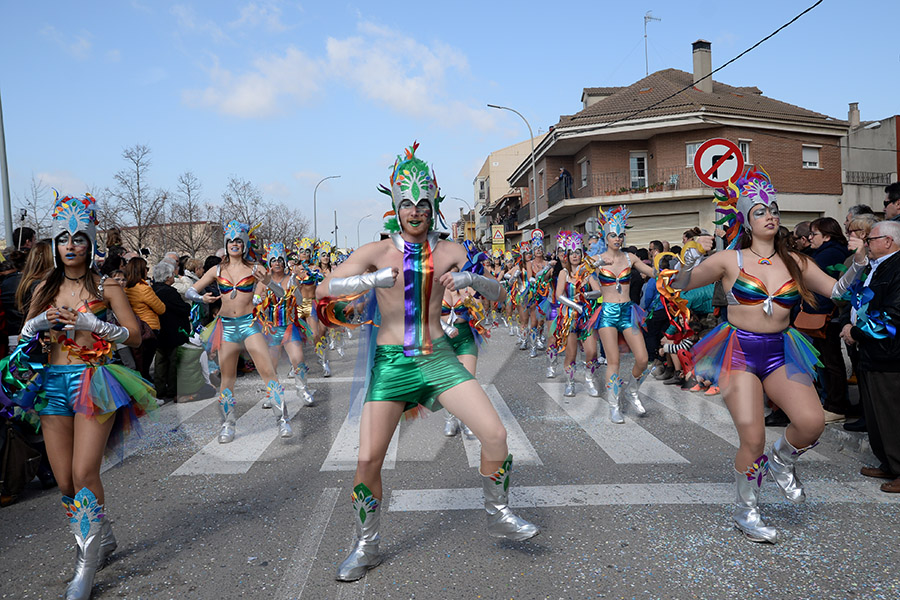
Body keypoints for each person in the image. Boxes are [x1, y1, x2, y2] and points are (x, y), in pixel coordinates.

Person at [318, 143, 538, 582]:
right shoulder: (377, 252)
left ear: (433, 203)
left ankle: (498, 512)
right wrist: (372, 280)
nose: (415, 211)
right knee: (367, 461)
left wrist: (472, 277)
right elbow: (327, 286)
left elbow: (500, 293)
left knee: (495, 434)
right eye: (406, 203)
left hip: (439, 358)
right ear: (395, 206)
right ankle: (366, 546)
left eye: (423, 203)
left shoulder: (452, 249)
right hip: (391, 364)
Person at [674, 167, 868, 543]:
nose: (771, 215)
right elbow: (682, 285)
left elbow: (838, 290)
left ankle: (783, 459)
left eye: (774, 209)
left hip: (781, 349)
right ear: (747, 220)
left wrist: (859, 261)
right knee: (752, 438)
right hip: (738, 351)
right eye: (761, 211)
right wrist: (686, 261)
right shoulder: (730, 260)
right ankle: (746, 512)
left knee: (811, 424)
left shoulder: (796, 262)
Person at [1, 192, 155, 600]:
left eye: (79, 237)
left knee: (85, 473)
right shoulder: (44, 287)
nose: (71, 245)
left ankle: (85, 568)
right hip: (52, 384)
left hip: (95, 382)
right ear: (55, 245)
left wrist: (96, 325)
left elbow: (136, 334)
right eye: (64, 237)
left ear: (90, 243)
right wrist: (38, 322)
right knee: (66, 481)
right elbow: (24, 340)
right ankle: (100, 538)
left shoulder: (107, 286)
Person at [187, 221, 292, 442]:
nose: (235, 244)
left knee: (268, 372)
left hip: (250, 324)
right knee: (228, 378)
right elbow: (189, 291)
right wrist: (201, 297)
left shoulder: (256, 268)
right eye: (231, 241)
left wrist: (267, 283)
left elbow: (281, 295)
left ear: (244, 244)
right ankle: (227, 424)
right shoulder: (216, 270)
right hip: (226, 327)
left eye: (238, 241)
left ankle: (282, 420)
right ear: (226, 244)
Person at [840, 220, 900, 492]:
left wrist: (858, 332)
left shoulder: (897, 268)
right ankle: (887, 462)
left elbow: (892, 317)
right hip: (871, 353)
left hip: (889, 354)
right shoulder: (877, 266)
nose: (867, 244)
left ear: (888, 241)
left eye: (871, 239)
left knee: (892, 414)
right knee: (876, 415)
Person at [593, 206, 656, 423]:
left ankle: (631, 390)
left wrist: (681, 266)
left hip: (628, 311)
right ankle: (614, 405)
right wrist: (598, 264)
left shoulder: (630, 258)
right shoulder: (597, 258)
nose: (617, 239)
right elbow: (581, 273)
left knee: (643, 358)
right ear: (605, 236)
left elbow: (654, 273)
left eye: (620, 235)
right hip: (608, 313)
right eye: (613, 235)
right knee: (614, 361)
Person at [254, 242, 314, 406]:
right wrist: (257, 299)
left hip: (289, 326)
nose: (277, 263)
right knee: (271, 363)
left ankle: (302, 389)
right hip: (270, 328)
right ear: (269, 263)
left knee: (298, 358)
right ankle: (272, 393)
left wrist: (296, 290)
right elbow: (255, 300)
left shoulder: (291, 280)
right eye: (273, 260)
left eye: (280, 259)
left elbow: (300, 302)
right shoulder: (263, 282)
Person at [804, 217, 852, 422]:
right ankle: (833, 402)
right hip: (823, 315)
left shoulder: (829, 254)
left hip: (826, 316)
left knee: (831, 363)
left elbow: (828, 289)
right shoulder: (825, 252)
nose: (809, 238)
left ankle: (836, 405)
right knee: (826, 361)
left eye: (813, 234)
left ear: (827, 235)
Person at [553, 232, 603, 397]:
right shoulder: (563, 273)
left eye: (578, 252)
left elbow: (598, 291)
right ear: (567, 255)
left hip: (586, 317)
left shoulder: (587, 273)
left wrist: (585, 296)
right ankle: (570, 382)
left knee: (592, 352)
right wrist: (576, 305)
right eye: (572, 253)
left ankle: (589, 379)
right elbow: (559, 295)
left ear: (582, 254)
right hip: (569, 317)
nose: (575, 256)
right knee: (571, 353)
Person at [150, 261, 191, 403]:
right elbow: (183, 308)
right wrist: (186, 306)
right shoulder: (169, 292)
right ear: (167, 277)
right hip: (173, 330)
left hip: (159, 331)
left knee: (160, 362)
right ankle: (173, 389)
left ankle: (159, 389)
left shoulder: (152, 290)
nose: (174, 277)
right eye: (172, 275)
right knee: (174, 361)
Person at [123, 257, 166, 382]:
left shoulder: (125, 289)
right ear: (141, 271)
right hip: (149, 329)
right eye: (146, 268)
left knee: (139, 364)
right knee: (145, 365)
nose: (148, 271)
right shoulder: (143, 289)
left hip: (134, 328)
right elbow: (161, 308)